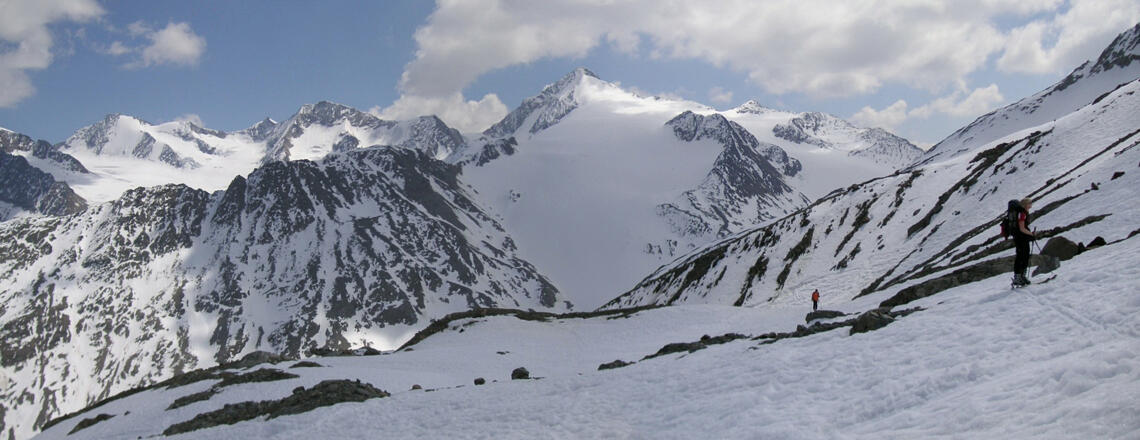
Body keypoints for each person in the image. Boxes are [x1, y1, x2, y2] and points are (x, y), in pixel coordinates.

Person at [1011, 198, 1036, 286]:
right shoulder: (1022, 213)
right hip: (1021, 238)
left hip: (1018, 237)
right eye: (1030, 203)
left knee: (1021, 256)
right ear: (1026, 204)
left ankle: (1020, 276)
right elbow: (1022, 228)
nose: (1031, 205)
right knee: (1023, 256)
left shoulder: (1020, 212)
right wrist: (1031, 234)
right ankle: (1019, 277)